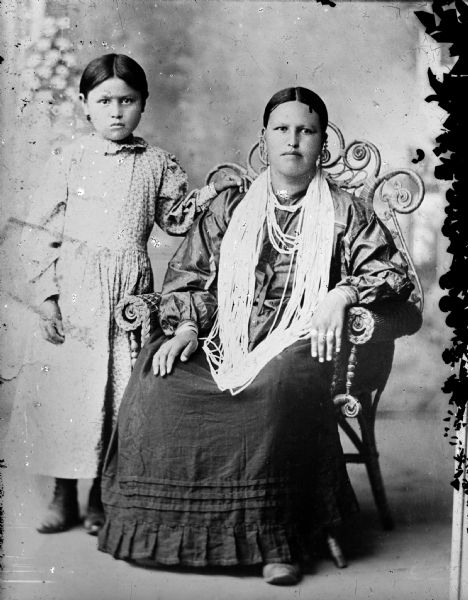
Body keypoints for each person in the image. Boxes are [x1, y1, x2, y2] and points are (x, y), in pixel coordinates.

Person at [98, 87, 413, 584]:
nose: (293, 141)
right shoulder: (231, 206)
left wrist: (342, 293)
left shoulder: (346, 211)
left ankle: (277, 539)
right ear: (264, 140)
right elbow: (193, 276)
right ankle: (157, 528)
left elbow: (390, 275)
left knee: (275, 387)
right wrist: (184, 327)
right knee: (160, 376)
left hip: (302, 340)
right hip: (224, 339)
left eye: (306, 131)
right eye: (281, 130)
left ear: (322, 144)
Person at [12, 53, 244, 536]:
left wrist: (210, 192)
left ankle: (101, 496)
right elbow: (37, 230)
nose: (116, 111)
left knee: (117, 395)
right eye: (105, 101)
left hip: (127, 300)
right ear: (85, 105)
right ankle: (62, 494)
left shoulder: (156, 163)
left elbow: (175, 219)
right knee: (68, 392)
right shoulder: (70, 158)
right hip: (76, 292)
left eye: (128, 101)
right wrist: (48, 298)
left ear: (143, 105)